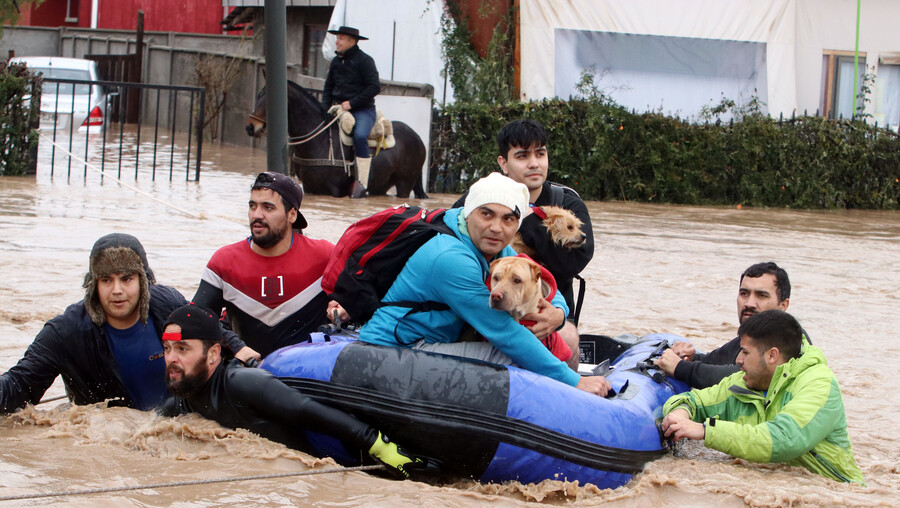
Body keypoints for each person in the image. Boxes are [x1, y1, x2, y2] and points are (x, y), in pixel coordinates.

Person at [358, 172, 611, 397]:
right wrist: (574, 381)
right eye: (486, 214)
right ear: (470, 213)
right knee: (511, 355)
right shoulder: (451, 258)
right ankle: (562, 406)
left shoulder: (494, 246)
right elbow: (503, 332)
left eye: (508, 219)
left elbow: (541, 280)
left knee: (556, 337)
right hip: (397, 349)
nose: (496, 228)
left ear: (517, 225)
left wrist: (558, 313)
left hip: (433, 342)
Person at [158, 305, 425, 479]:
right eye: (168, 349)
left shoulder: (243, 384)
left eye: (183, 349)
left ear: (214, 353)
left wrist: (379, 446)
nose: (172, 359)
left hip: (347, 464)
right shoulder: (180, 406)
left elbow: (306, 410)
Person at [0, 233, 250, 413]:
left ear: (144, 282)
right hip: (112, 441)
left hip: (179, 426)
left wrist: (241, 349)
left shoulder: (168, 306)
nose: (117, 290)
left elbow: (211, 331)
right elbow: (20, 385)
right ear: (93, 285)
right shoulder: (67, 331)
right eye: (106, 280)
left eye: (127, 279)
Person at [660, 310, 864, 484]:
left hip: (835, 495)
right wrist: (680, 413)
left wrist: (705, 430)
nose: (738, 360)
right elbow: (694, 400)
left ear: (772, 355)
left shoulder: (818, 383)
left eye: (745, 353)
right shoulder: (743, 382)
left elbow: (783, 440)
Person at [454, 119, 594, 360]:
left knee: (568, 339)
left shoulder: (568, 203)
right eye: (522, 156)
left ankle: (570, 391)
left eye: (540, 154)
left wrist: (531, 223)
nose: (534, 164)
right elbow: (454, 252)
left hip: (548, 307)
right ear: (503, 163)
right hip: (484, 302)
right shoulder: (479, 197)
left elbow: (573, 264)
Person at [192, 172, 334, 358]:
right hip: (247, 374)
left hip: (308, 372)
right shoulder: (224, 262)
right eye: (253, 206)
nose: (257, 215)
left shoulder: (325, 256)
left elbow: (362, 299)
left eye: (268, 208)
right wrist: (236, 346)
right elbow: (195, 319)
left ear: (292, 214)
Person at [655, 262, 799, 389]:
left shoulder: (792, 341)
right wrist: (689, 357)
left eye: (761, 295)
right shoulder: (750, 339)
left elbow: (740, 375)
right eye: (744, 293)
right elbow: (714, 361)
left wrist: (680, 368)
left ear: (783, 305)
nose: (749, 303)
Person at [322, 25, 381, 199]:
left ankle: (362, 184)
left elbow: (374, 87)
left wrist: (352, 103)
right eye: (337, 37)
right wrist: (324, 108)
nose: (337, 41)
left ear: (352, 41)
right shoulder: (335, 61)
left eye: (341, 38)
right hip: (338, 109)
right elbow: (328, 87)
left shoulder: (365, 61)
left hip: (363, 110)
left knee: (360, 136)